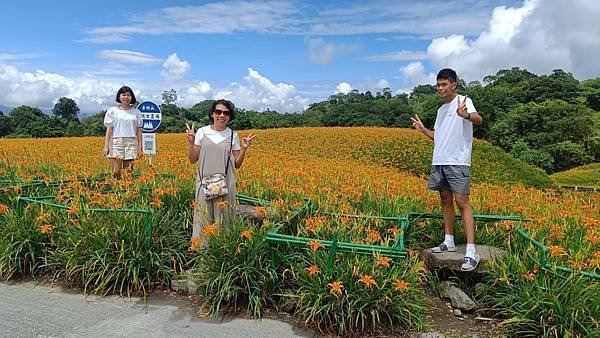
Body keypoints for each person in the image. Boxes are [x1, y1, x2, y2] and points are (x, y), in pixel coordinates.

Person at [411, 68, 483, 271]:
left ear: (454, 85)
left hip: (458, 160)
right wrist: (423, 130)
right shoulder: (441, 110)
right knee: (445, 200)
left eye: (444, 84)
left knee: (462, 202)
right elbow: (438, 136)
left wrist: (465, 115)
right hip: (440, 160)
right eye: (438, 85)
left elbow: (479, 120)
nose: (441, 88)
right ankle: (449, 240)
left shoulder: (464, 100)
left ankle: (471, 251)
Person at [185, 99, 256, 240]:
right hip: (204, 182)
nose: (222, 115)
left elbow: (237, 164)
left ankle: (221, 251)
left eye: (226, 113)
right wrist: (191, 143)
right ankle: (201, 249)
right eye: (218, 112)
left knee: (223, 217)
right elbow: (193, 159)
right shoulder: (202, 132)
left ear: (230, 116)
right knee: (203, 216)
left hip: (225, 183)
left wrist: (244, 149)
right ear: (212, 114)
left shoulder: (233, 135)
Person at [103, 86, 143, 179]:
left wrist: (140, 147)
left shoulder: (136, 112)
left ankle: (126, 190)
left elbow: (139, 131)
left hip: (131, 142)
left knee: (128, 171)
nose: (126, 97)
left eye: (128, 95)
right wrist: (106, 146)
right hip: (116, 141)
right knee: (116, 171)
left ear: (132, 97)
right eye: (123, 95)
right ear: (119, 97)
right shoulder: (112, 111)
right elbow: (109, 129)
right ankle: (116, 189)